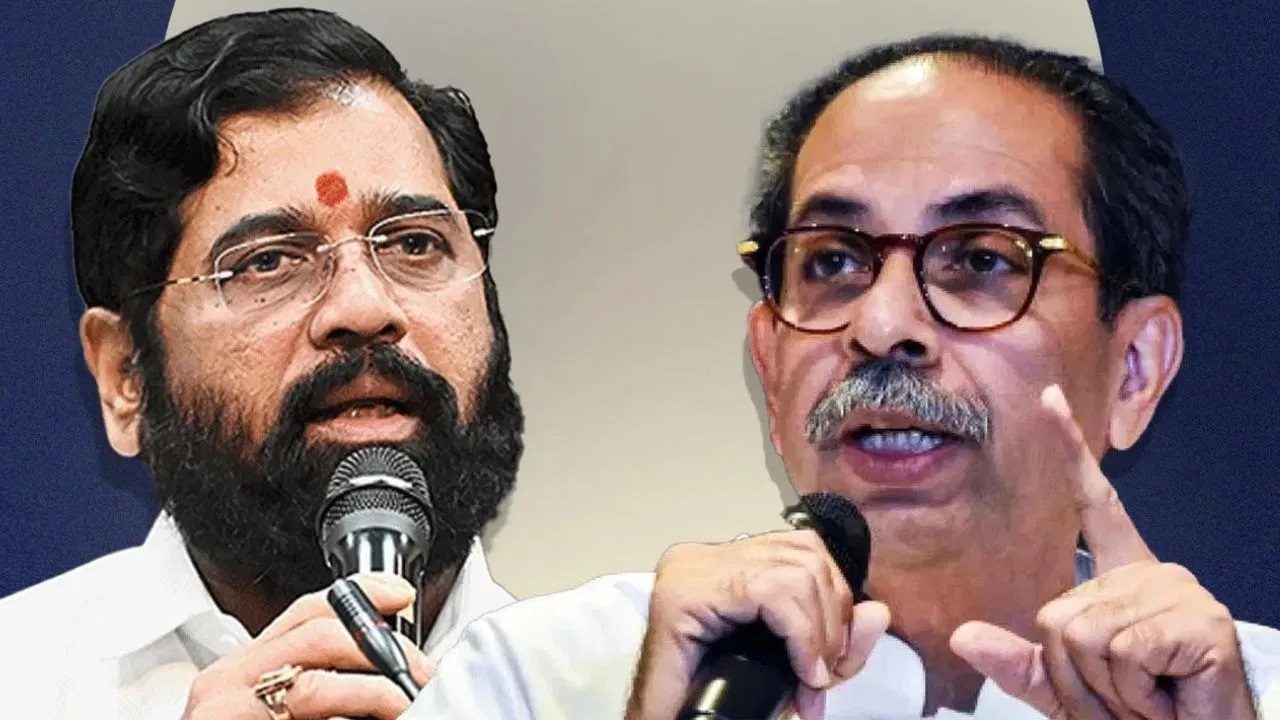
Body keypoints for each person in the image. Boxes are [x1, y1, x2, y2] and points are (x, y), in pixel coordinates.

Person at [405, 33, 1280, 719]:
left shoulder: (1248, 698)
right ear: (770, 364)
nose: (882, 325)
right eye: (832, 262)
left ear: (1134, 370)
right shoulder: (530, 681)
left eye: (981, 257)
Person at [0, 8, 526, 720]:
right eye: (269, 261)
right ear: (126, 376)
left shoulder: (622, 684)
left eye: (413, 244)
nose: (364, 307)